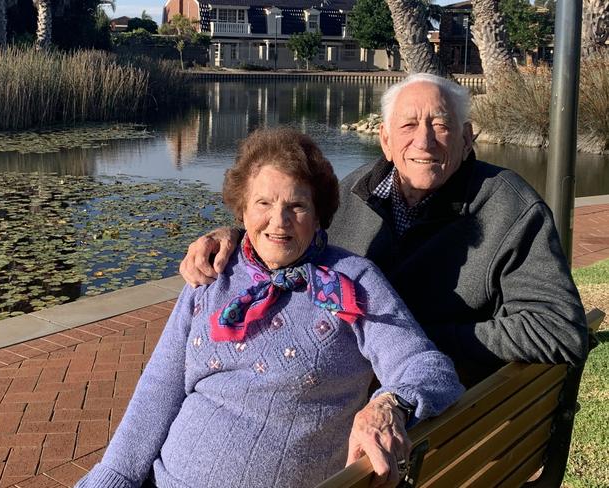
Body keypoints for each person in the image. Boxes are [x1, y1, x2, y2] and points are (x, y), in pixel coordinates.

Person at [75, 128, 464, 488]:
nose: (279, 222)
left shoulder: (352, 282)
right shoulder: (213, 272)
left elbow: (427, 368)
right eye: (263, 203)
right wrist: (114, 477)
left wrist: (388, 406)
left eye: (296, 205)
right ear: (242, 211)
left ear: (319, 214)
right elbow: (159, 389)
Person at [179, 73, 588, 388]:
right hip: (340, 385)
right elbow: (289, 231)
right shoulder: (355, 190)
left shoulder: (509, 206)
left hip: (433, 413)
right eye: (408, 126)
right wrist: (232, 235)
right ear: (386, 140)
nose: (424, 141)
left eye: (441, 124)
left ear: (467, 139)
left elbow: (558, 330)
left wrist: (418, 337)